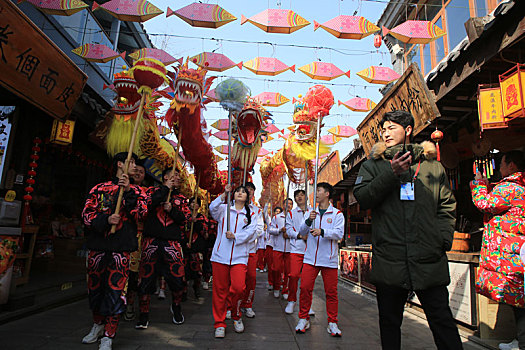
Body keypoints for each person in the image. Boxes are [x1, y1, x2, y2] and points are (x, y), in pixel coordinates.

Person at [353, 110, 462, 350]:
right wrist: (391, 174)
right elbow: (362, 198)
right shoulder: (373, 165)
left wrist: (442, 240)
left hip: (428, 258)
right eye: (384, 129)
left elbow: (446, 206)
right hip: (390, 260)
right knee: (390, 323)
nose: (386, 133)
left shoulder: (432, 167)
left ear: (409, 130)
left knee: (442, 320)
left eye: (392, 127)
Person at [81, 152, 148, 350]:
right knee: (95, 288)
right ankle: (97, 325)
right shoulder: (99, 188)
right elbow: (86, 215)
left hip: (122, 249)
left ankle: (109, 334)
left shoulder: (138, 191)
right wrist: (105, 220)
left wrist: (127, 191)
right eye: (132, 162)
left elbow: (142, 213)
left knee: (117, 290)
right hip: (98, 247)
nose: (135, 167)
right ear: (120, 164)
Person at [470, 150, 525, 350]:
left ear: (511, 166)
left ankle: (522, 343)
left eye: (501, 163)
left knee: (518, 298)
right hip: (514, 250)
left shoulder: (510, 187)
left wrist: (479, 184)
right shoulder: (518, 186)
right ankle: (519, 340)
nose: (499, 167)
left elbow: (484, 204)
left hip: (512, 251)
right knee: (517, 297)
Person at [135, 168, 191, 330]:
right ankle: (143, 314)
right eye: (173, 175)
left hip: (172, 243)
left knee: (177, 279)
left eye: (178, 176)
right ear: (165, 177)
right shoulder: (151, 192)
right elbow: (145, 208)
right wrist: (165, 189)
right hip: (150, 241)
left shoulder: (181, 198)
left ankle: (176, 307)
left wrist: (171, 210)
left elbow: (184, 219)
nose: (177, 178)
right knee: (145, 279)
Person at [295, 182, 344, 337]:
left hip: (328, 259)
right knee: (304, 288)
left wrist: (322, 231)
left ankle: (332, 322)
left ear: (327, 194)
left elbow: (338, 234)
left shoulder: (337, 214)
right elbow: (302, 231)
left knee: (331, 292)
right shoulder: (310, 212)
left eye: (319, 191)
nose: (316, 193)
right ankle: (303, 318)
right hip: (310, 258)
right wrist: (309, 220)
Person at [210, 184, 257, 338]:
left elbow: (251, 232)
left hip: (239, 256)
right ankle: (220, 323)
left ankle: (236, 315)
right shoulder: (224, 209)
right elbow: (212, 208)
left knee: (238, 288)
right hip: (220, 256)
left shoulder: (251, 214)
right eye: (238, 191)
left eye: (243, 192)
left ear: (247, 197)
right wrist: (224, 194)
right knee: (219, 291)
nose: (240, 193)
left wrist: (236, 236)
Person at [124, 159, 147, 321]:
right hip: (120, 236)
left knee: (135, 274)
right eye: (136, 170)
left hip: (139, 238)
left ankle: (131, 303)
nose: (138, 173)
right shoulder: (118, 188)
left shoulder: (146, 192)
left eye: (141, 171)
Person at [239, 181, 264, 318]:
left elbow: (259, 229)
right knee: (237, 281)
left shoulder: (257, 210)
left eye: (251, 189)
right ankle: (233, 305)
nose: (248, 192)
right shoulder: (234, 207)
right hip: (236, 250)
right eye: (246, 189)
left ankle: (247, 304)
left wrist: (246, 237)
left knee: (251, 278)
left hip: (250, 250)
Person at [285, 190, 309, 315]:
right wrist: (299, 236)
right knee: (293, 275)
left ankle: (307, 304)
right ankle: (291, 300)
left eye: (301, 195)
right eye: (297, 196)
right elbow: (288, 230)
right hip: (296, 249)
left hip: (310, 251)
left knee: (307, 280)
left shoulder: (312, 211)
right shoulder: (291, 213)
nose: (299, 197)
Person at [183, 197, 208, 300]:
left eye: (196, 203)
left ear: (199, 206)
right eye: (192, 202)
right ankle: (183, 291)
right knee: (184, 271)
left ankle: (196, 289)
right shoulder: (184, 216)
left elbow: (205, 233)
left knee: (197, 272)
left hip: (197, 248)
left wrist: (196, 222)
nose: (193, 204)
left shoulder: (202, 218)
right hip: (185, 247)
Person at [269, 200, 293, 299]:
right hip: (278, 247)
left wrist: (290, 233)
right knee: (276, 269)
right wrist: (279, 230)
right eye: (286, 203)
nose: (288, 205)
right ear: (283, 205)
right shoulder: (276, 217)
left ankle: (285, 290)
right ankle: (276, 287)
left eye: (291, 204)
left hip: (290, 248)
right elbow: (270, 230)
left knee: (288, 271)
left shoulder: (294, 217)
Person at [202, 218, 217, 290]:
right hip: (207, 245)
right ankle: (206, 280)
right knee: (206, 262)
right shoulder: (206, 220)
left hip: (218, 245)